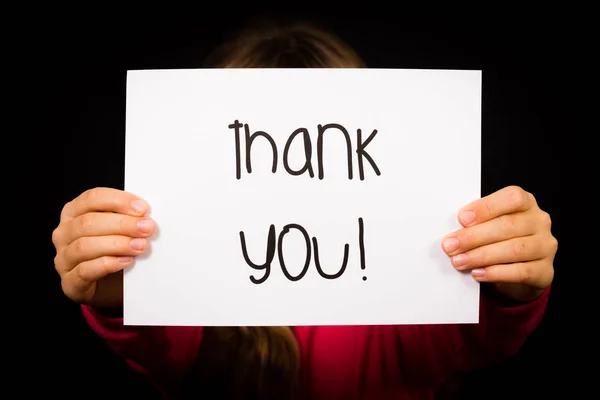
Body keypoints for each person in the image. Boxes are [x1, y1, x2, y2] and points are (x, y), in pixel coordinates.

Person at [52, 20, 557, 400]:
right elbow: (156, 339)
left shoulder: (408, 293)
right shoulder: (198, 299)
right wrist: (120, 285)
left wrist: (508, 281)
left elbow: (473, 336)